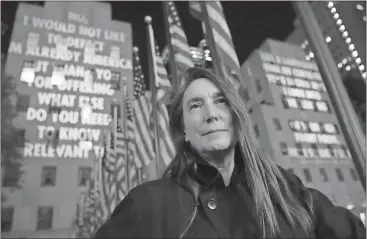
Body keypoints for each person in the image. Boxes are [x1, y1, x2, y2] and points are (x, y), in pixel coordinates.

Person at [94, 67, 365, 238]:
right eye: (195, 106)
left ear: (236, 116)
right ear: (183, 131)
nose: (211, 114)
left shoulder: (284, 188)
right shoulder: (148, 204)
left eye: (221, 102)